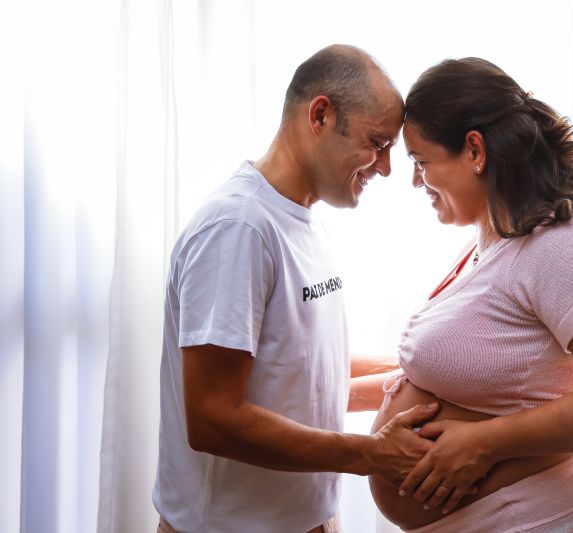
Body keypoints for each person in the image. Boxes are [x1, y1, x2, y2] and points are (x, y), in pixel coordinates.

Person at [368, 57, 573, 532]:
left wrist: (484, 442)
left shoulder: (560, 245)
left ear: (475, 150)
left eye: (421, 162)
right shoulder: (493, 241)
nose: (415, 181)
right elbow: (459, 376)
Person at [152, 45, 442, 533]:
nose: (386, 168)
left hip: (310, 520)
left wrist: (420, 371)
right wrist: (370, 455)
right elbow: (213, 418)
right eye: (378, 143)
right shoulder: (238, 228)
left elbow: (301, 369)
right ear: (321, 115)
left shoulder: (304, 220)